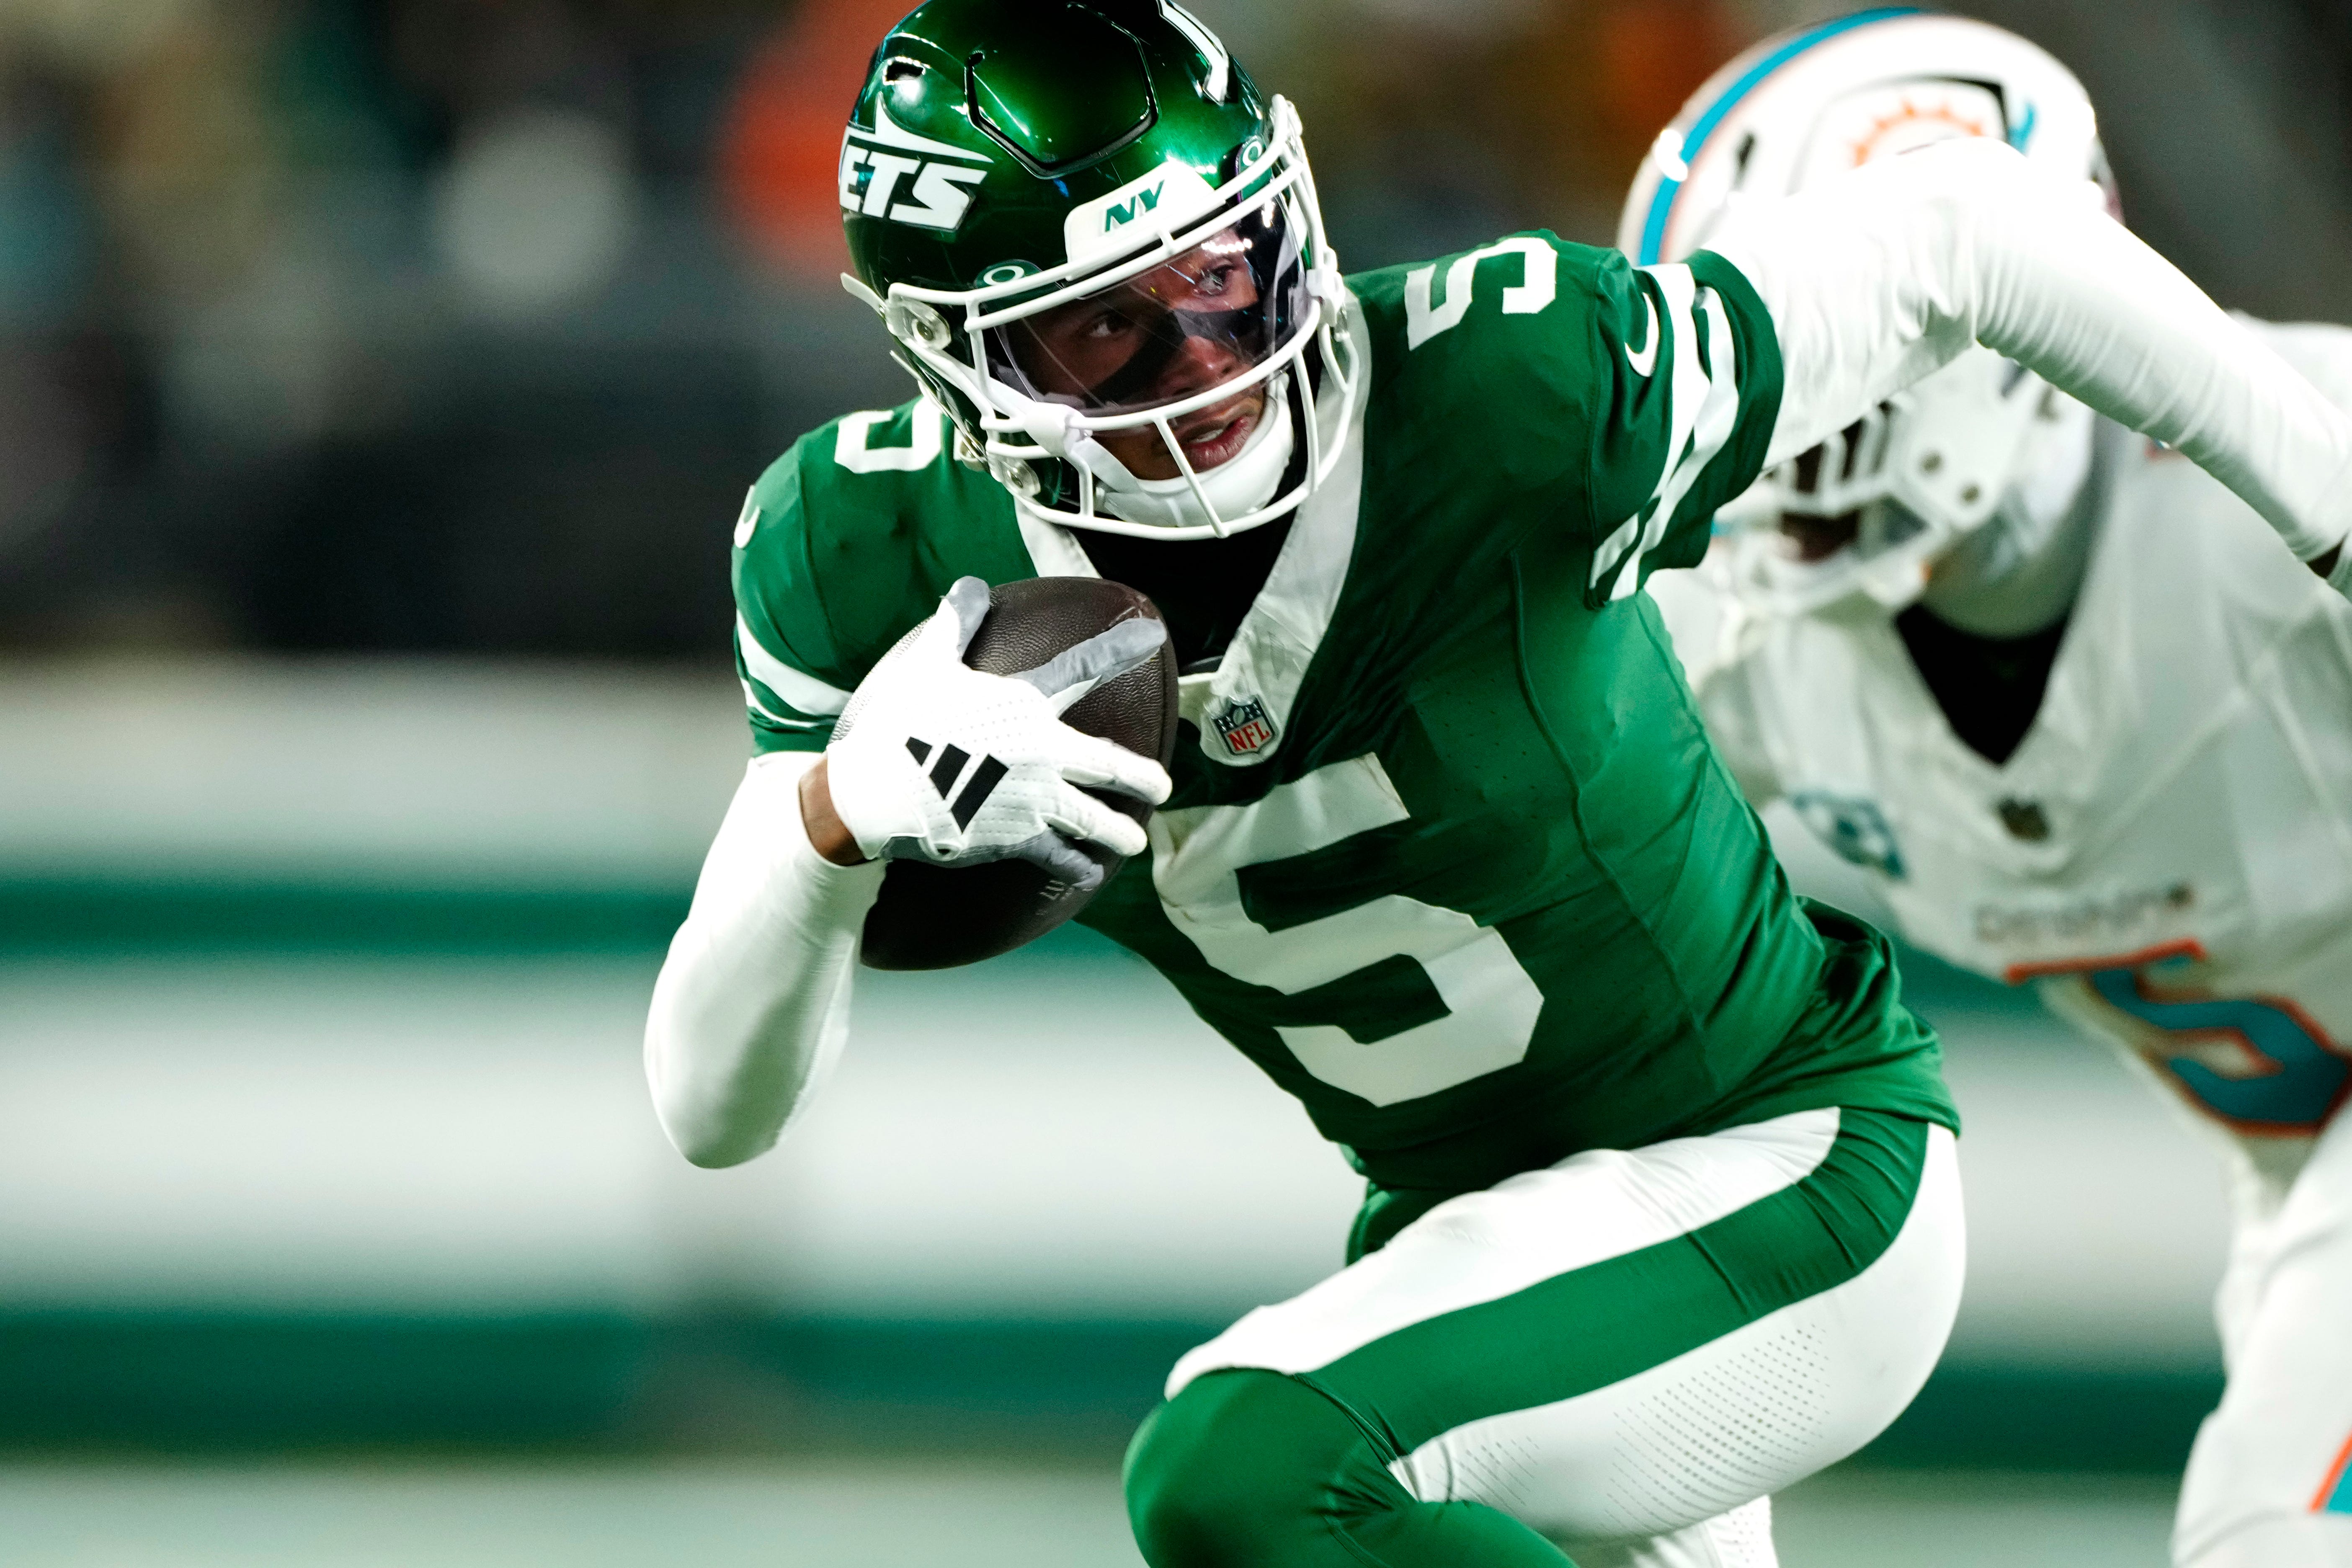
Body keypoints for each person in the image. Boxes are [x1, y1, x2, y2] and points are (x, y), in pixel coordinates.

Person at [644, 3, 2352, 1563]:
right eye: (1107, 333)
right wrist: (826, 823)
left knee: (1248, 1466)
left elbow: (1972, 235)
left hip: (1784, 1170)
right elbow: (713, 1111)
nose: (1209, 366)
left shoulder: (1513, 392)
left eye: (1228, 271)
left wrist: (2331, 511)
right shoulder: (863, 559)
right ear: (947, 359)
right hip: (1514, 1237)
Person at [1626, 13, 2352, 1568]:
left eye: (1845, 377)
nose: (1787, 448)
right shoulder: (1748, 645)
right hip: (2298, 1187)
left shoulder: (2294, 482)